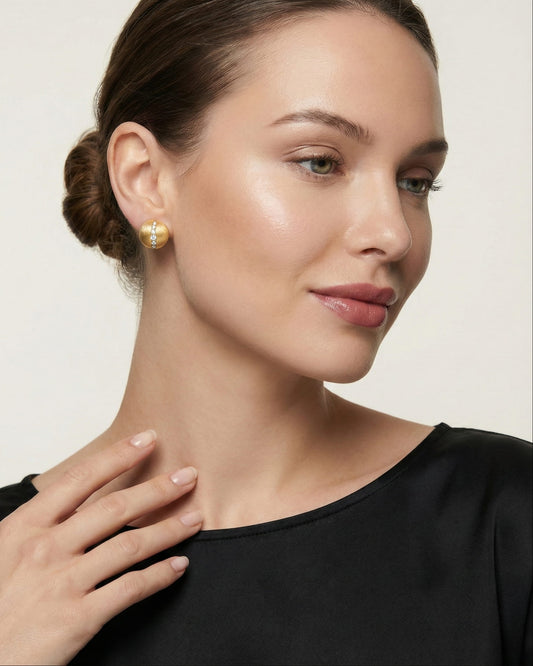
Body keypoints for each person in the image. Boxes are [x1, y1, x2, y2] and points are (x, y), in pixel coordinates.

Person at [0, 0, 530, 664]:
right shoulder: (9, 570)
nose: (392, 233)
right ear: (146, 180)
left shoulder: (504, 523)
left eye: (415, 182)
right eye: (320, 162)